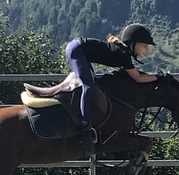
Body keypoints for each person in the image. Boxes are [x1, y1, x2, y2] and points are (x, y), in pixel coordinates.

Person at [65, 23, 162, 152]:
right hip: (77, 51)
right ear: (134, 44)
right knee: (89, 87)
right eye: (145, 46)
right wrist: (158, 77)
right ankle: (84, 125)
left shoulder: (124, 53)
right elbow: (137, 78)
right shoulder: (124, 55)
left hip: (79, 50)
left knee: (93, 85)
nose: (147, 50)